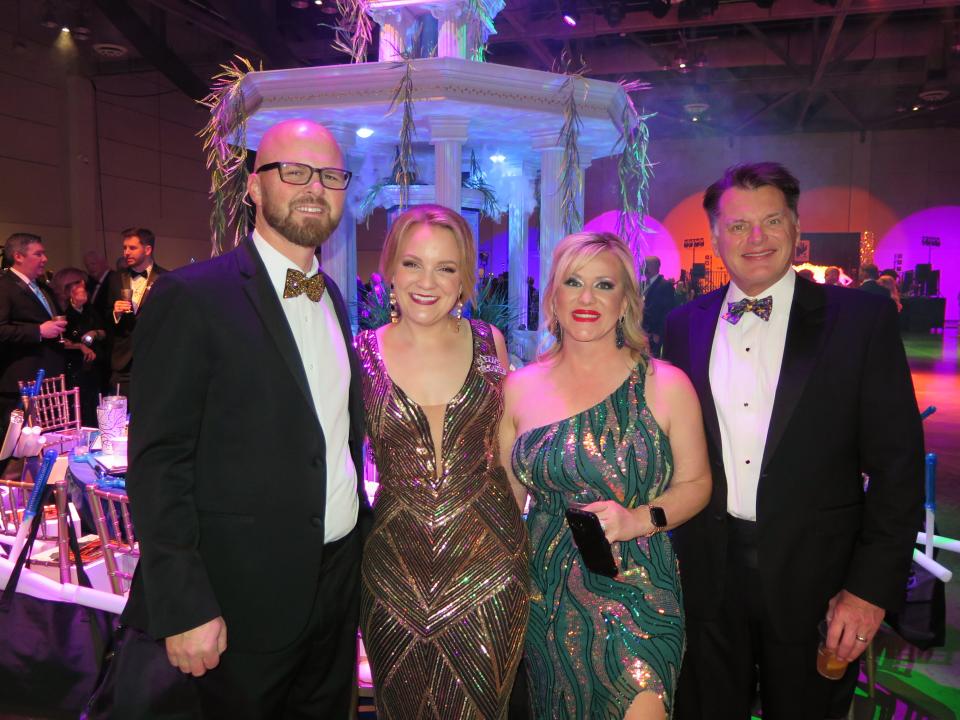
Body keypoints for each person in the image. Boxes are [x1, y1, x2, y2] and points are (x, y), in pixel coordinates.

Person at [117, 119, 371, 718]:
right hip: (237, 601)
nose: (315, 186)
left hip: (334, 589)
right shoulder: (192, 297)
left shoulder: (333, 298)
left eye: (331, 175)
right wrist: (182, 604)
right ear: (253, 187)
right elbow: (158, 461)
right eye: (294, 171)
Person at [662, 162, 924, 720]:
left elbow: (898, 469)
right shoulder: (685, 326)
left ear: (795, 226)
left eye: (771, 221)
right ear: (714, 236)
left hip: (820, 588)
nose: (755, 239)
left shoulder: (860, 320)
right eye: (737, 226)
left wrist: (869, 590)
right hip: (708, 583)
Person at [500, 231, 711, 719]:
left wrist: (640, 518)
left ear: (626, 302)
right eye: (573, 282)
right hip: (546, 590)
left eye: (604, 284)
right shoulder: (519, 389)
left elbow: (698, 485)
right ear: (553, 295)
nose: (587, 298)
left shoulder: (666, 384)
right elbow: (507, 502)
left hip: (639, 585)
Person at [355, 204, 528, 718]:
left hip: (489, 572)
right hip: (394, 575)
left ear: (464, 279)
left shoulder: (488, 341)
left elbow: (506, 454)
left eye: (446, 268)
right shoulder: (360, 352)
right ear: (389, 270)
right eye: (412, 264)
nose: (427, 281)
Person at [0, 233, 65, 440]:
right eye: (38, 254)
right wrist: (38, 331)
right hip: (20, 383)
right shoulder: (3, 286)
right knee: (18, 450)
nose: (44, 259)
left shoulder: (42, 287)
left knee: (47, 443)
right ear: (18, 256)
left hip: (46, 380)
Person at [105, 228, 167, 395]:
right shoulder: (115, 278)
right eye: (124, 248)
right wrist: (115, 313)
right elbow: (104, 315)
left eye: (132, 248)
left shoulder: (167, 279)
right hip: (123, 360)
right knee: (120, 415)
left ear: (147, 250)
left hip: (154, 358)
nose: (126, 252)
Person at [62, 280, 106, 426]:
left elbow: (104, 332)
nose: (83, 294)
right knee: (78, 405)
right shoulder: (65, 314)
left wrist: (94, 332)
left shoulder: (91, 310)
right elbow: (63, 343)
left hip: (94, 365)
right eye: (79, 291)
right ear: (71, 295)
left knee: (93, 402)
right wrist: (80, 346)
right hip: (74, 367)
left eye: (84, 290)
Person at [641, 255, 675, 357]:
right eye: (643, 265)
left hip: (652, 334)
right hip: (642, 331)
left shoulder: (665, 286)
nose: (644, 268)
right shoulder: (643, 284)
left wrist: (658, 332)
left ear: (656, 267)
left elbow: (667, 311)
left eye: (647, 265)